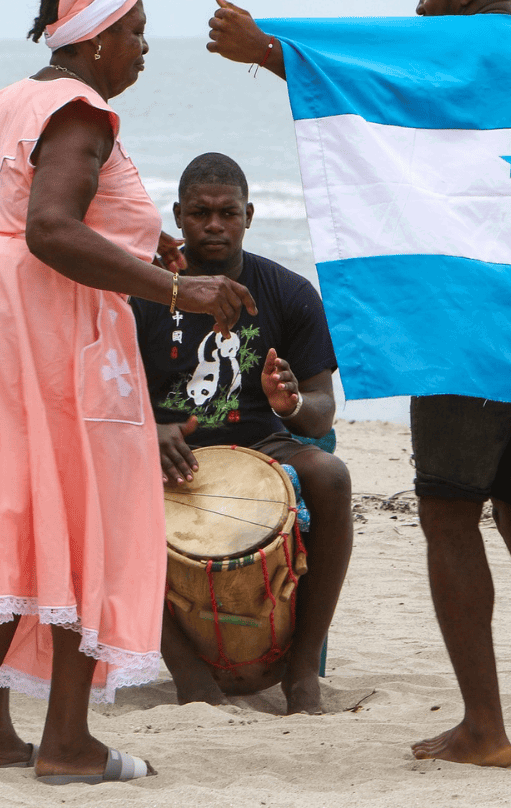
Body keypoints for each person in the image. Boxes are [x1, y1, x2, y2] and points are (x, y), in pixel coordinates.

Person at [0, 0, 257, 784]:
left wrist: (131, 237)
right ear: (92, 39)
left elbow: (9, 192)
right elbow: (49, 227)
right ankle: (69, 742)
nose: (146, 50)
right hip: (47, 322)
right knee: (84, 508)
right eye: (135, 33)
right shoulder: (83, 110)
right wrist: (177, 288)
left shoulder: (16, 96)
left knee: (17, 507)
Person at [206, 0, 511, 767]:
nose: (415, 9)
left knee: (452, 518)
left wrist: (259, 45)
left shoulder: (442, 50)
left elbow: (352, 79)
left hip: (462, 335)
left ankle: (485, 730)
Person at [131, 153, 352, 715]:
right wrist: (150, 426)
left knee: (330, 475)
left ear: (249, 215)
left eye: (227, 213)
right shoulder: (144, 293)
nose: (213, 224)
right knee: (98, 500)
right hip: (167, 449)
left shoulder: (288, 291)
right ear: (177, 215)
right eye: (200, 212)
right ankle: (187, 673)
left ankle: (302, 669)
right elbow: (102, 391)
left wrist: (293, 403)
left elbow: (322, 413)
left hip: (261, 442)